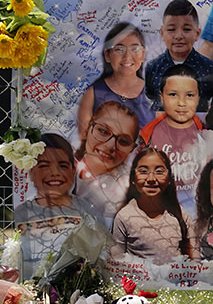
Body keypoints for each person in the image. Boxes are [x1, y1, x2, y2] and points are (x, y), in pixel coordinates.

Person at [14, 133, 93, 276]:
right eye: (44, 166)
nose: (55, 173)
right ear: (31, 172)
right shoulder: (21, 213)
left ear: (73, 169)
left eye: (63, 166)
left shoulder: (86, 210)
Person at [140, 65, 206, 220]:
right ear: (161, 97)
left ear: (198, 97)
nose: (181, 103)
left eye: (189, 95)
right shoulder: (146, 137)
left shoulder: (207, 135)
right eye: (173, 95)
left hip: (196, 215)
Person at [110, 148, 193, 265]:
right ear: (133, 178)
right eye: (143, 171)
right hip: (140, 282)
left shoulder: (180, 214)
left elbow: (192, 259)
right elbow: (116, 262)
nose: (151, 179)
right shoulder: (124, 217)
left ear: (169, 178)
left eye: (159, 171)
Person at [77, 22, 154, 142]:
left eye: (135, 49)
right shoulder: (93, 94)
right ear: (107, 55)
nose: (127, 56)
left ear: (143, 54)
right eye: (119, 49)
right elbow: (84, 142)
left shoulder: (155, 94)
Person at [145, 0, 213, 112]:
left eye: (186, 29)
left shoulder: (211, 69)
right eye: (171, 29)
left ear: (197, 33)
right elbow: (151, 96)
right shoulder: (152, 67)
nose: (179, 36)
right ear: (162, 33)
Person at [76, 101, 140, 229]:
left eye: (123, 141)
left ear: (131, 150)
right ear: (88, 128)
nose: (110, 146)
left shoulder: (128, 192)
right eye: (104, 131)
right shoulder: (59, 163)